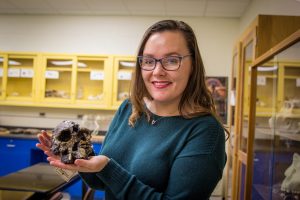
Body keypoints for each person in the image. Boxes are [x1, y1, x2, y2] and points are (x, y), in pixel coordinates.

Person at [37, 19, 228, 200]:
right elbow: (100, 182)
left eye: (171, 60)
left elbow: (108, 171)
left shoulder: (205, 131)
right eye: (148, 60)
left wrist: (107, 168)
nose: (157, 71)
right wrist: (77, 160)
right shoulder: (129, 108)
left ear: (193, 65)